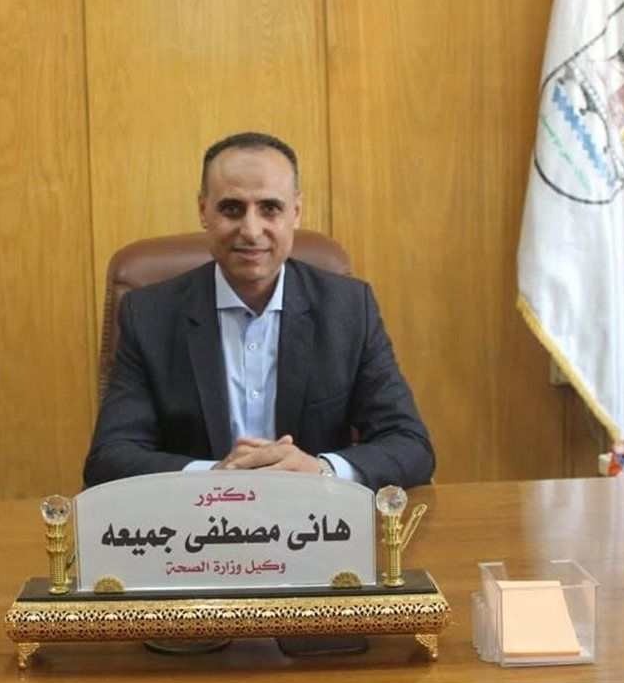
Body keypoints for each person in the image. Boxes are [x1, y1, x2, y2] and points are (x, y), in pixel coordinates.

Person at [84, 132, 434, 490]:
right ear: (203, 210)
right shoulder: (149, 316)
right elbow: (110, 457)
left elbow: (410, 445)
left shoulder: (349, 309)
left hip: (313, 515)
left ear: (296, 212)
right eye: (231, 209)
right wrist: (213, 476)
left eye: (270, 208)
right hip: (197, 516)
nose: (251, 231)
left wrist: (321, 470)